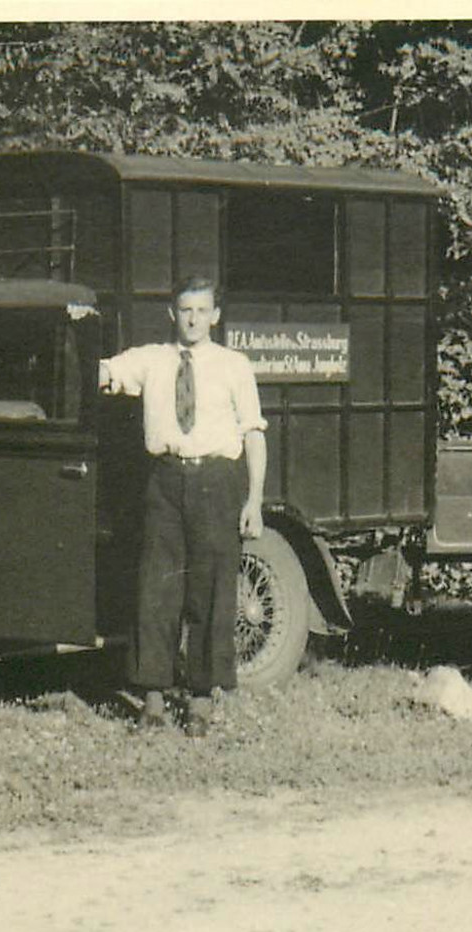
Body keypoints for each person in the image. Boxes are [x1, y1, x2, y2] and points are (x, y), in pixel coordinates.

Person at [98, 276, 267, 735]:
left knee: (211, 591)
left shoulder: (234, 365)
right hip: (165, 482)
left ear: (215, 315)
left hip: (217, 482)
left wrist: (254, 499)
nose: (193, 319)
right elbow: (103, 373)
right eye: (185, 310)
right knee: (157, 588)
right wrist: (73, 326)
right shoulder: (151, 360)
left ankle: (199, 700)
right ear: (173, 314)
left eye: (202, 310)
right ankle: (152, 697)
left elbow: (253, 434)